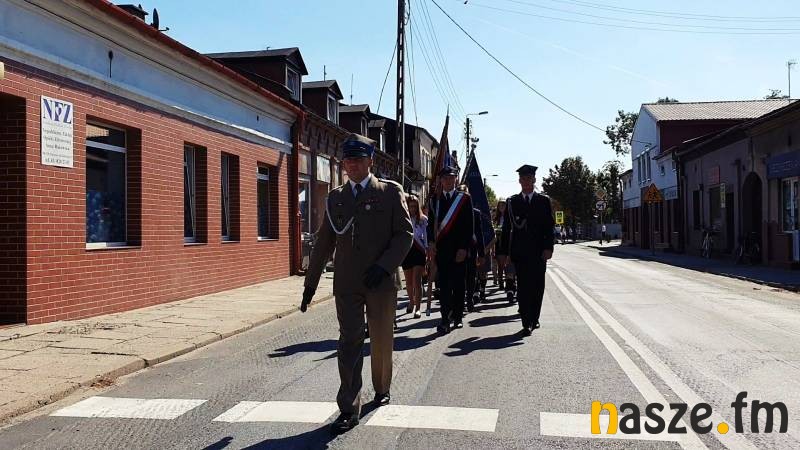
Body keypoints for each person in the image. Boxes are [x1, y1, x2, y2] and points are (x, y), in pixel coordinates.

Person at [300, 134, 413, 434]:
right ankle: (349, 407)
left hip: (381, 281)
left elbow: (405, 234)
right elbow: (324, 243)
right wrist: (310, 285)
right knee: (349, 340)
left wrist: (385, 266)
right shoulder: (336, 198)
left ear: (370, 161)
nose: (351, 165)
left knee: (381, 339)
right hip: (347, 282)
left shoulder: (389, 192)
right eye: (348, 160)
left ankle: (382, 386)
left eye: (358, 160)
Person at [497, 164, 555, 337]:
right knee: (523, 288)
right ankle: (526, 322)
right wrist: (504, 253)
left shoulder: (543, 201)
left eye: (529, 178)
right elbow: (507, 229)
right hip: (520, 252)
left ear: (534, 180)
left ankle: (534, 317)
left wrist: (548, 248)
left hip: (539, 252)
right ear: (519, 181)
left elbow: (549, 227)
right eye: (523, 178)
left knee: (537, 286)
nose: (526, 181)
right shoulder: (512, 202)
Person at [427, 166, 473, 334]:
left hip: (459, 250)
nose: (448, 181)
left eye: (451, 178)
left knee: (459, 286)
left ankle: (458, 317)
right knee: (444, 287)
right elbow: (430, 224)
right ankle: (445, 319)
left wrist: (464, 248)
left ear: (456, 179)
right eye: (445, 178)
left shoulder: (464, 199)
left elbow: (469, 225)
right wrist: (431, 242)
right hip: (442, 251)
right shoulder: (435, 200)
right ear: (440, 180)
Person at [401, 194, 427, 319]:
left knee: (417, 280)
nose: (412, 209)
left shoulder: (423, 220)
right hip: (407, 251)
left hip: (419, 251)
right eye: (410, 206)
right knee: (409, 281)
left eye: (414, 206)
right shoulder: (403, 219)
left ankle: (418, 308)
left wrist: (427, 252)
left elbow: (426, 237)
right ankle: (411, 301)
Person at [492, 200, 507, 290]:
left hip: (507, 242)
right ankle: (501, 281)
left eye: (503, 205)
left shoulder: (509, 217)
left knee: (507, 264)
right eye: (500, 206)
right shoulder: (496, 218)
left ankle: (510, 282)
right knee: (500, 265)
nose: (502, 207)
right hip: (498, 243)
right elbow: (493, 230)